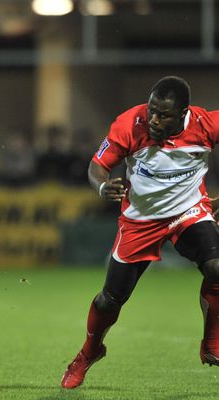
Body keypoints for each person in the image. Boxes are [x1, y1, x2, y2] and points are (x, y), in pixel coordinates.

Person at [61, 76, 219, 389]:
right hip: (140, 220)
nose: (154, 119)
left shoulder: (206, 125)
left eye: (163, 115)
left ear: (183, 113)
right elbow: (96, 168)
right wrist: (103, 186)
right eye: (151, 111)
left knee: (217, 266)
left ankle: (212, 341)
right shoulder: (129, 124)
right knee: (110, 300)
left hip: (188, 212)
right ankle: (89, 352)